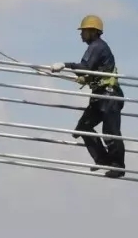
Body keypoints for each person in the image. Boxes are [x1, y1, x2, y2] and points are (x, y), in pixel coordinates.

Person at [49, 14, 126, 178]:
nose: (81, 34)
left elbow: (85, 66)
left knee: (110, 132)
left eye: (83, 31)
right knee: (83, 128)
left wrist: (66, 65)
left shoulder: (97, 46)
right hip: (100, 95)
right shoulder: (97, 47)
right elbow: (95, 70)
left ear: (92, 31)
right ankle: (103, 159)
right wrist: (85, 78)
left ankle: (118, 166)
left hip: (109, 95)